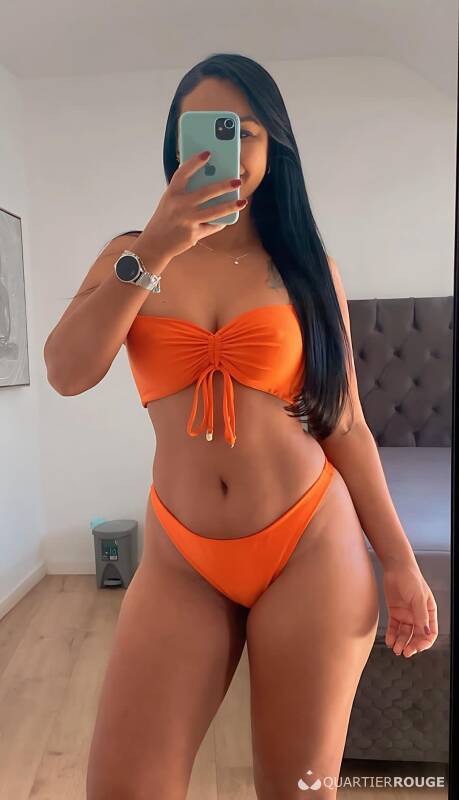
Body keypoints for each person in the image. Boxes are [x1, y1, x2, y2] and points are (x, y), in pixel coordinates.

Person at [44, 52, 438, 800]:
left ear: (272, 147)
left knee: (298, 791)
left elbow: (346, 424)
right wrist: (154, 250)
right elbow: (67, 372)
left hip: (308, 548)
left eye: (242, 130)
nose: (219, 149)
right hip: (181, 558)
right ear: (174, 145)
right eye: (199, 131)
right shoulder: (129, 255)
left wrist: (399, 561)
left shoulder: (306, 267)